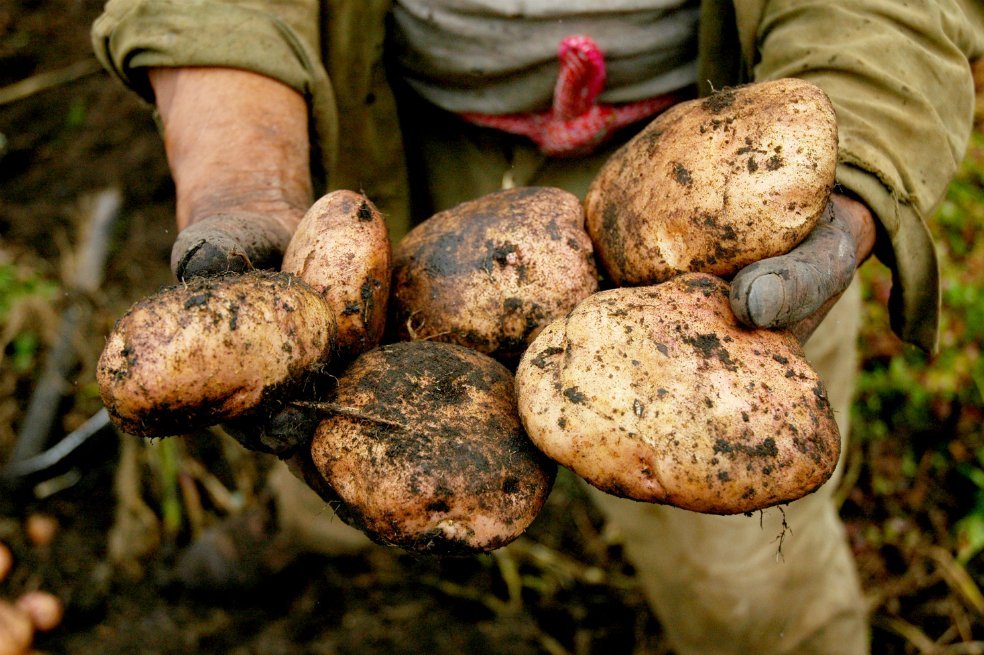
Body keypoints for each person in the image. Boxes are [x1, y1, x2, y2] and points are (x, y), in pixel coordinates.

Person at [91, 2, 983, 653]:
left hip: (696, 179)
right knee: (328, 386)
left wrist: (860, 167)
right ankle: (301, 523)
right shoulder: (347, 239)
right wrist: (244, 179)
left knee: (747, 581)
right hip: (386, 141)